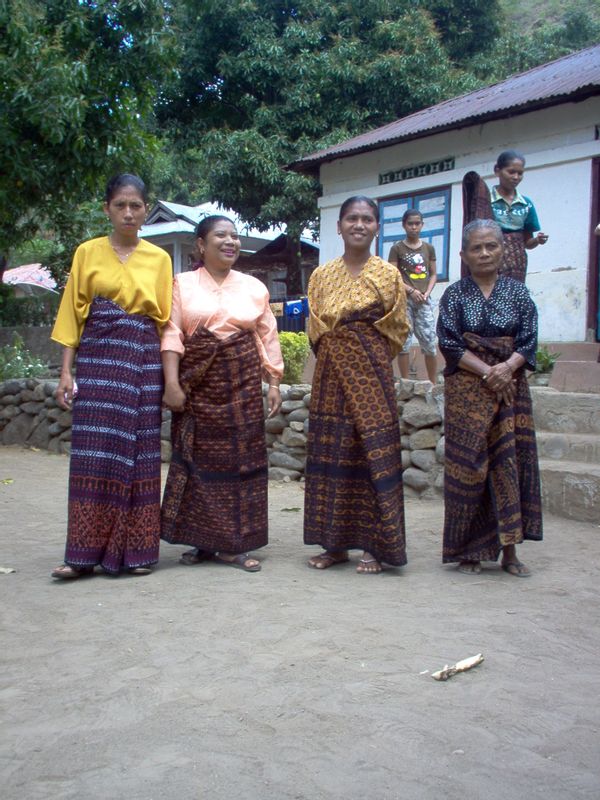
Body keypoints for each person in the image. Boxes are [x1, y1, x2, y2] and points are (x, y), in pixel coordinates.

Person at [51, 174, 173, 579]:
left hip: (142, 360)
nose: (127, 212)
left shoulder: (159, 258)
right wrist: (66, 370)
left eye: (135, 205)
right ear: (106, 208)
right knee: (92, 451)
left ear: (144, 210)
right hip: (98, 359)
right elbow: (73, 313)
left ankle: (137, 552)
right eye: (120, 204)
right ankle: (81, 555)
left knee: (140, 452)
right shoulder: (87, 253)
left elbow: (165, 322)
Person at [160, 215, 283, 572]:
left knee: (240, 462)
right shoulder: (181, 284)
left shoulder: (253, 287)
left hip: (242, 382)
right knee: (195, 458)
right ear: (200, 244)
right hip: (197, 382)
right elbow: (171, 334)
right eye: (221, 236)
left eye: (235, 236)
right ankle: (203, 542)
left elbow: (266, 335)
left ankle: (234, 544)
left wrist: (273, 381)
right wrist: (172, 383)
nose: (230, 242)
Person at [304, 196, 409, 574]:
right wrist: (340, 353)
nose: (359, 225)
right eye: (352, 218)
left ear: (378, 227)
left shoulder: (388, 275)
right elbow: (316, 328)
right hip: (331, 370)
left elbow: (397, 328)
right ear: (339, 225)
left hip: (372, 368)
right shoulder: (321, 275)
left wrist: (364, 352)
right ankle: (333, 545)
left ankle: (374, 546)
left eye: (367, 219)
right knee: (332, 451)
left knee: (372, 450)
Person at [437, 219, 543, 577]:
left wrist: (506, 369)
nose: (484, 253)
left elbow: (528, 342)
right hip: (468, 390)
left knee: (509, 463)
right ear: (464, 255)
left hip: (510, 389)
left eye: (491, 246)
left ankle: (509, 551)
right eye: (476, 248)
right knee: (468, 468)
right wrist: (487, 371)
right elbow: (449, 344)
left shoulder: (518, 293)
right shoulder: (455, 294)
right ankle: (468, 550)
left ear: (503, 250)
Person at [462, 150, 548, 281]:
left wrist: (537, 240)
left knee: (514, 296)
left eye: (520, 173)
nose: (516, 177)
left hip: (518, 261)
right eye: (511, 172)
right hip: (490, 257)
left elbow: (527, 242)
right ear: (497, 170)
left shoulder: (526, 204)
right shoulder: (485, 199)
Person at [388, 209, 438, 384]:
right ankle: (405, 383)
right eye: (410, 223)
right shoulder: (397, 249)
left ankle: (433, 383)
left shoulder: (428, 248)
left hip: (424, 300)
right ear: (404, 225)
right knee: (404, 342)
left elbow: (433, 274)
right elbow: (393, 277)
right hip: (404, 300)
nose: (414, 227)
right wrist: (411, 291)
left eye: (417, 223)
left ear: (422, 225)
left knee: (430, 342)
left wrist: (427, 293)